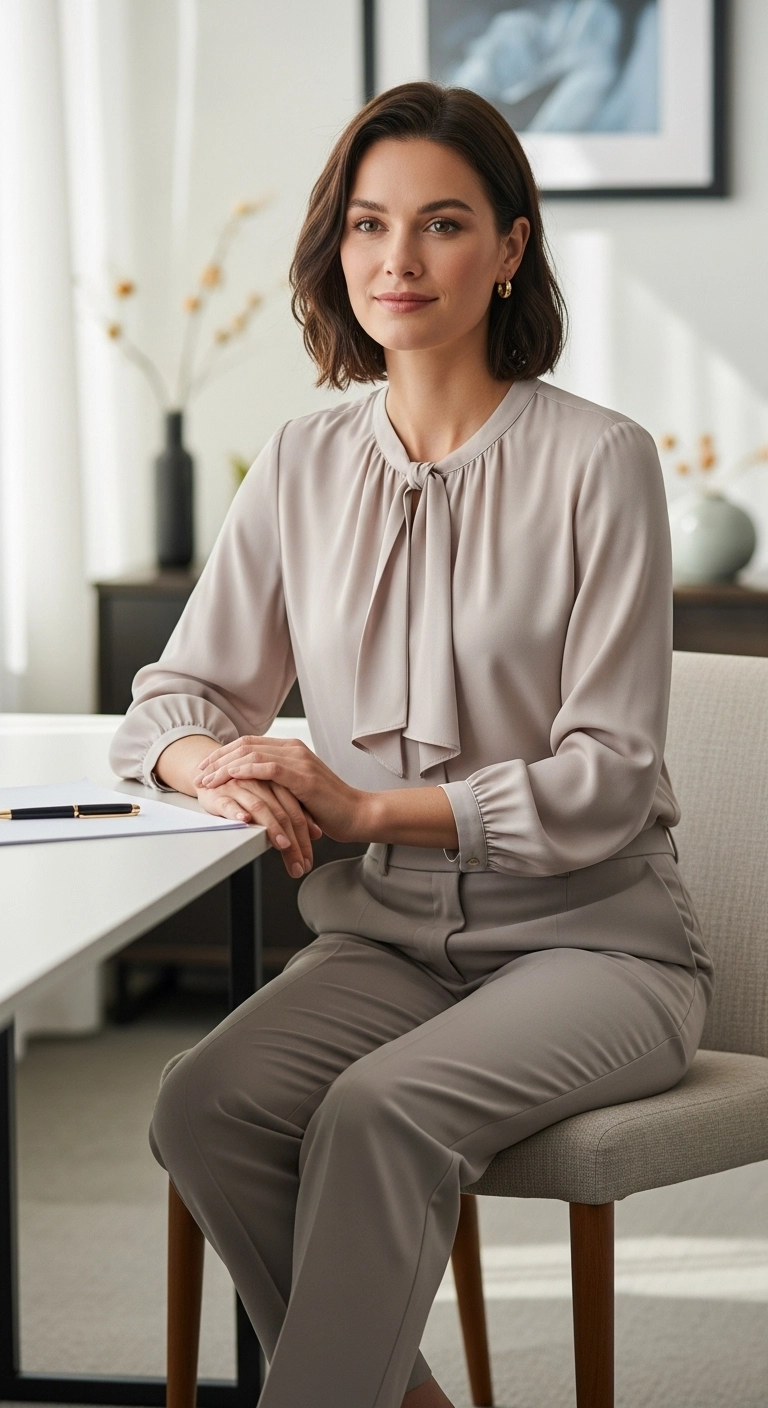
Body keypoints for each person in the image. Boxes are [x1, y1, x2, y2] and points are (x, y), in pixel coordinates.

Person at [109, 81, 713, 1408]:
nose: (398, 259)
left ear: (509, 248)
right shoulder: (301, 462)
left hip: (595, 948)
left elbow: (609, 772)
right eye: (369, 224)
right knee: (203, 1105)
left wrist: (367, 810)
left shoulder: (598, 462)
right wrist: (201, 760)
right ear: (336, 249)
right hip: (386, 948)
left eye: (442, 223)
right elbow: (180, 693)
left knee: (382, 1113)